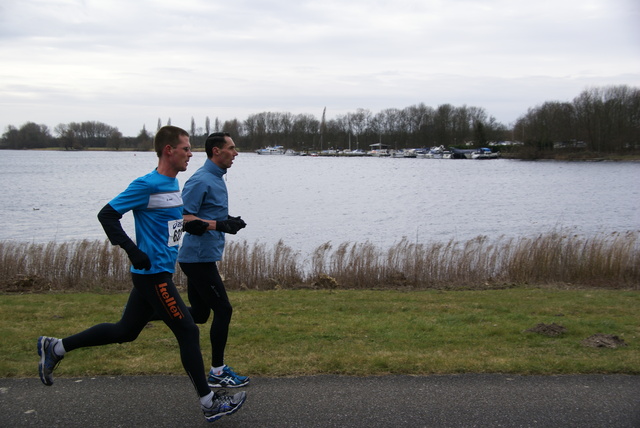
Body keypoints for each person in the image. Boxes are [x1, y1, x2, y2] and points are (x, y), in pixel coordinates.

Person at [37, 126, 246, 423]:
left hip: (160, 272)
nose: (190, 154)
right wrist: (132, 250)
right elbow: (107, 215)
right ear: (168, 150)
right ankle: (210, 402)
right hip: (152, 275)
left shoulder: (172, 185)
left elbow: (177, 224)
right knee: (188, 330)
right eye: (186, 148)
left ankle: (55, 347)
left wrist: (216, 224)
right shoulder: (146, 184)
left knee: (126, 330)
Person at [177, 132, 249, 389]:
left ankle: (152, 311)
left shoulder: (216, 178)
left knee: (199, 313)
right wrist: (221, 224)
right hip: (197, 259)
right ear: (217, 151)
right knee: (223, 309)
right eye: (231, 148)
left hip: (203, 256)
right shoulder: (200, 180)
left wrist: (228, 220)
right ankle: (218, 372)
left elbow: (205, 214)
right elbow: (182, 219)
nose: (236, 153)